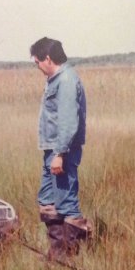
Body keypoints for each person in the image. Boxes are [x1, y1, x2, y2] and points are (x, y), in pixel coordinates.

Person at [30, 36, 92, 258]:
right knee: (47, 201)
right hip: (53, 151)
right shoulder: (56, 79)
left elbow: (67, 121)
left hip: (61, 152)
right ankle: (57, 252)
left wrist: (59, 153)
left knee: (66, 202)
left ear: (47, 58)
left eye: (36, 62)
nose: (37, 67)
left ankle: (69, 257)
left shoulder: (66, 81)